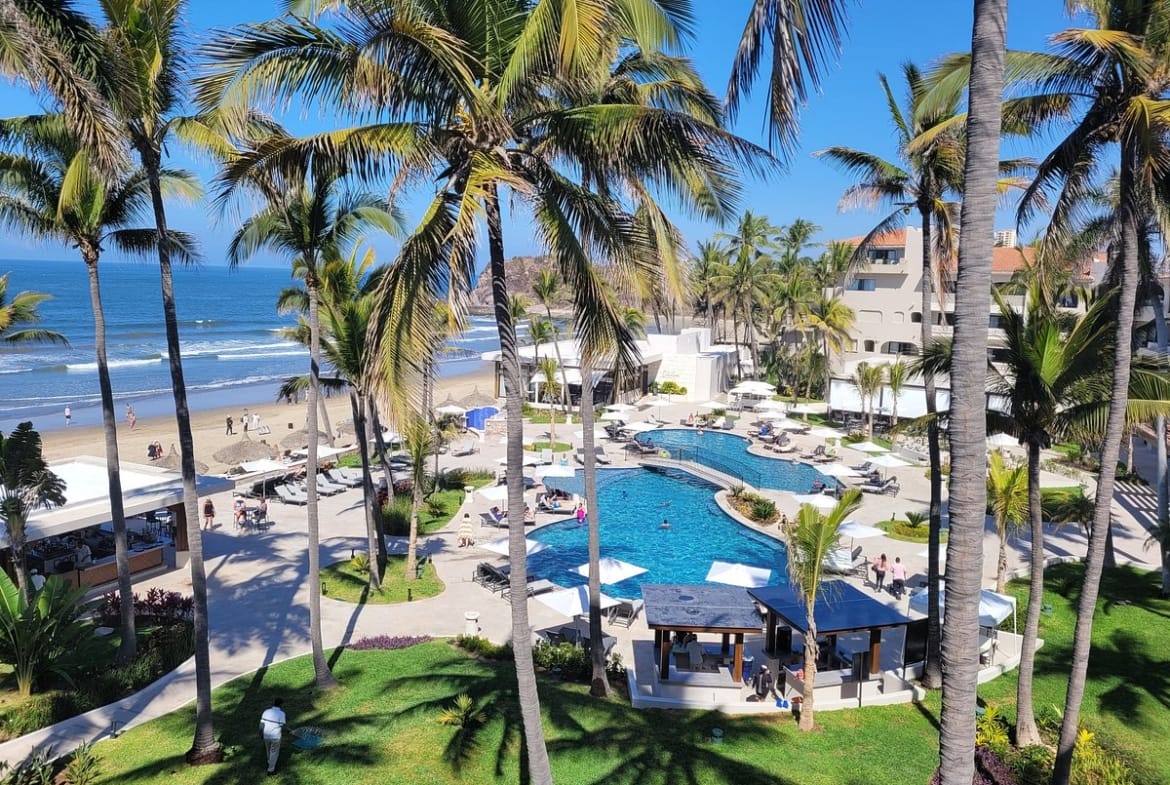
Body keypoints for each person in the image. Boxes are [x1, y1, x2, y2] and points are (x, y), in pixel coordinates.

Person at [259, 697, 286, 775]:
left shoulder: (266, 711)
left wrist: (260, 733)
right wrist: (288, 730)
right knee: (274, 752)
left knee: (268, 750)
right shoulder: (282, 713)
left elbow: (261, 724)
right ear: (281, 705)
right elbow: (282, 726)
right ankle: (271, 770)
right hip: (275, 736)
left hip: (266, 735)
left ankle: (269, 762)